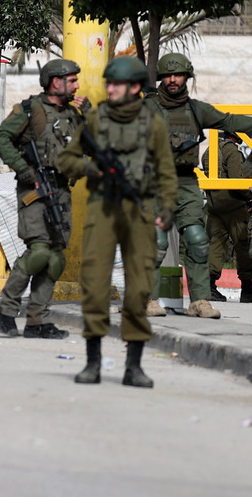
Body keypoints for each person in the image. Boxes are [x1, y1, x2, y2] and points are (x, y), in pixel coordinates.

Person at [57, 56, 176, 387]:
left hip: (139, 210)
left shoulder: (153, 123)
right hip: (102, 208)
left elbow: (166, 172)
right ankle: (93, 362)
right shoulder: (95, 120)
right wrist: (91, 169)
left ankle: (133, 366)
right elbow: (66, 158)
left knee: (139, 287)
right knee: (94, 284)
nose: (109, 89)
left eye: (116, 84)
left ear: (135, 88)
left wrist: (166, 210)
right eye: (108, 83)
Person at [146, 53, 252, 319]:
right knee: (156, 241)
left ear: (186, 77)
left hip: (187, 181)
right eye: (168, 75)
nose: (173, 80)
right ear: (161, 78)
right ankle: (148, 299)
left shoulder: (196, 109)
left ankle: (200, 300)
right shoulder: (147, 108)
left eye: (178, 75)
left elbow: (229, 121)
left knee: (198, 241)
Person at [0, 59, 88, 338]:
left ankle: (38, 321)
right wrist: (24, 169)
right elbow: (0, 139)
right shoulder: (30, 109)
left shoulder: (73, 114)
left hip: (60, 189)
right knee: (40, 251)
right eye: (72, 80)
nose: (77, 85)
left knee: (55, 257)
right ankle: (6, 310)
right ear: (56, 82)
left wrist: (90, 115)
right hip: (34, 189)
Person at [201, 132, 252, 302]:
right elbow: (237, 181)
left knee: (216, 245)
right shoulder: (232, 151)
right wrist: (251, 196)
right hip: (233, 205)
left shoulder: (210, 150)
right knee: (242, 244)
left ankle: (209, 286)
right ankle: (247, 289)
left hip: (214, 205)